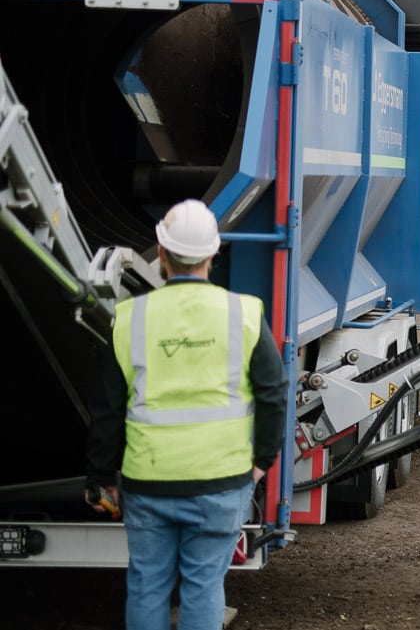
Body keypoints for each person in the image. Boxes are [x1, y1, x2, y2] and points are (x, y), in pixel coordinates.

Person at [85, 199, 288, 630]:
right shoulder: (244, 313)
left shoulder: (129, 318)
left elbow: (106, 409)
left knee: (146, 585)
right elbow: (274, 395)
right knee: (203, 586)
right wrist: (261, 463)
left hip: (148, 482)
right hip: (221, 481)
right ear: (214, 255)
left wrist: (101, 476)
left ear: (160, 253)